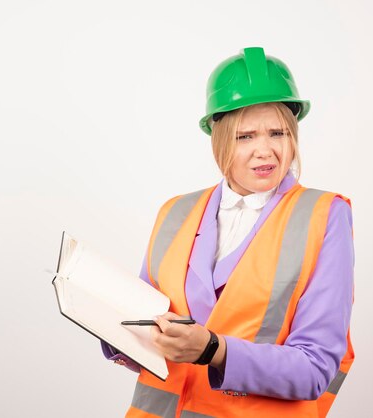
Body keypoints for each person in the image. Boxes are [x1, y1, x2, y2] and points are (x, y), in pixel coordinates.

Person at [102, 46, 355, 418]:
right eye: (245, 136)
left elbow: (315, 369)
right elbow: (145, 324)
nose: (265, 150)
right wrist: (117, 333)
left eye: (278, 132)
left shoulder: (325, 214)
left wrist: (213, 349)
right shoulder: (175, 212)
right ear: (217, 138)